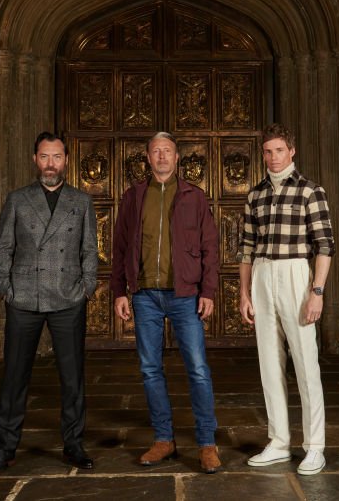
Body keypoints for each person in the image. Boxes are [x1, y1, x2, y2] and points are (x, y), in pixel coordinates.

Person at [0, 132, 98, 475]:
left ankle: (74, 444)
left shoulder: (81, 201)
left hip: (67, 297)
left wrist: (86, 287)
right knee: (14, 377)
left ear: (66, 160)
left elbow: (89, 249)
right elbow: (3, 247)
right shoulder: (17, 199)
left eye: (57, 157)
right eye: (45, 157)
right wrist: (6, 288)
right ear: (35, 159)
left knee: (72, 377)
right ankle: (5, 447)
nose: (51, 164)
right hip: (24, 298)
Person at [111, 131, 222, 474]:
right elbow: (119, 247)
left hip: (185, 294)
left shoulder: (194, 196)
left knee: (199, 371)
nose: (161, 156)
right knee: (149, 369)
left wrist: (208, 291)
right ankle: (164, 439)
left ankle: (207, 443)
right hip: (145, 295)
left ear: (177, 158)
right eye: (156, 151)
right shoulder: (133, 197)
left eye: (167, 151)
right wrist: (119, 291)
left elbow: (210, 247)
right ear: (148, 158)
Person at [238, 123, 334, 475]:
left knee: (306, 365)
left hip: (296, 275)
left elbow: (324, 246)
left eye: (279, 150)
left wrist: (317, 292)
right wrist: (245, 294)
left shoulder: (311, 191)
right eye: (268, 151)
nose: (273, 157)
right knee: (269, 365)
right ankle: (279, 442)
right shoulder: (255, 195)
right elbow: (246, 250)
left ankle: (314, 446)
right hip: (262, 275)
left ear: (291, 151)